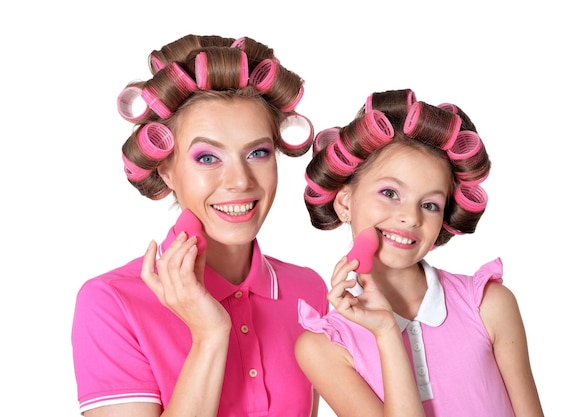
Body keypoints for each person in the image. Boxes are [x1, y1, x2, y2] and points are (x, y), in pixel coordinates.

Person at [71, 34, 329, 417]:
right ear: (167, 170)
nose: (239, 181)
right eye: (207, 158)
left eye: (258, 152)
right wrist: (210, 336)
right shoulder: (112, 303)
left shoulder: (307, 289)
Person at [295, 89, 544, 417]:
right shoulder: (325, 347)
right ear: (344, 203)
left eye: (429, 204)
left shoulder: (488, 305)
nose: (411, 217)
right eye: (390, 193)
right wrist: (386, 333)